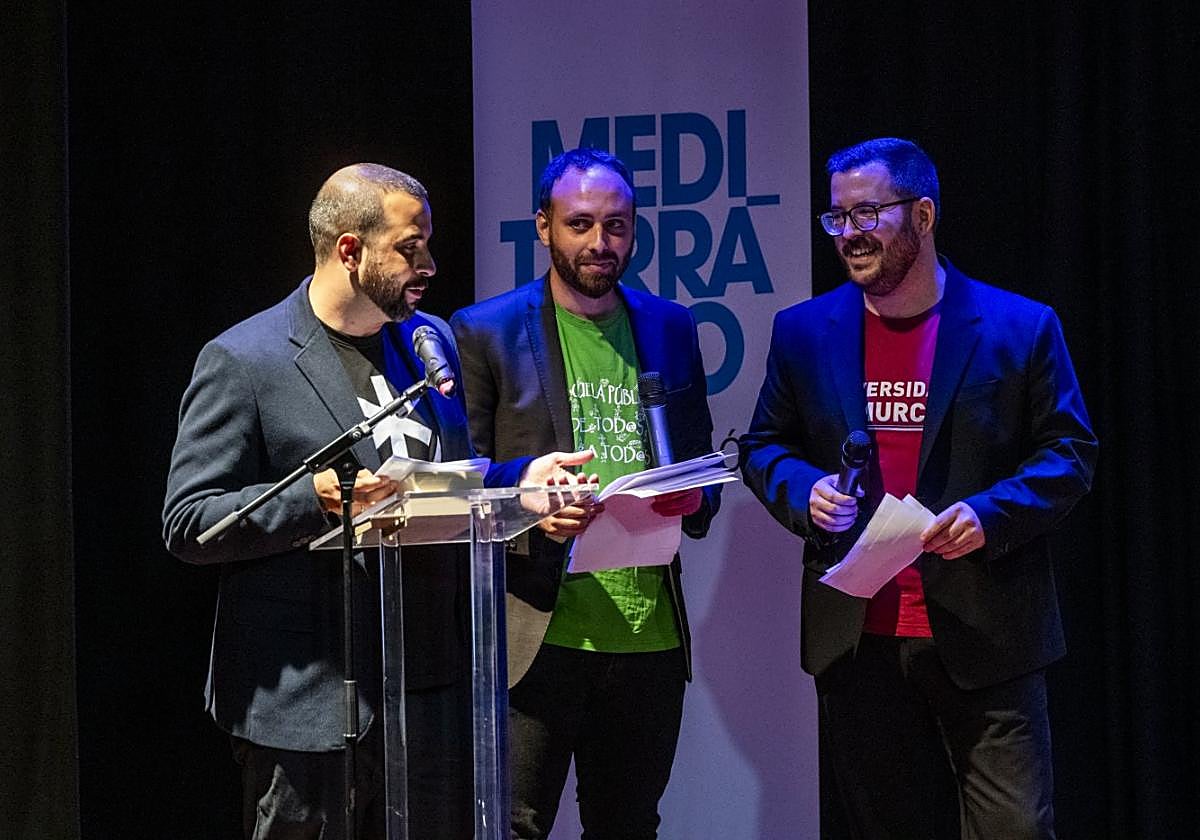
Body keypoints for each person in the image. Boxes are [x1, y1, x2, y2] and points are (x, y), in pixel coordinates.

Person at [163, 163, 593, 840]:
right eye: (409, 247)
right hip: (307, 707)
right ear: (348, 250)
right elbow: (190, 523)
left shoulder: (429, 344)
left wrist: (523, 484)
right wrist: (317, 499)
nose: (429, 264)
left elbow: (443, 481)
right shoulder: (246, 360)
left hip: (430, 703)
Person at [739, 137, 1098, 839]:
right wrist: (804, 489)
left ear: (924, 215)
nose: (849, 234)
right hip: (859, 642)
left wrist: (989, 514)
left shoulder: (1019, 327)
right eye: (837, 218)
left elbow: (1071, 453)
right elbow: (762, 447)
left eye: (868, 213)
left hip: (987, 633)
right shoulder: (804, 332)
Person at [450, 148, 721, 839]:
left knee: (630, 826)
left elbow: (700, 476)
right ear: (543, 227)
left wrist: (694, 498)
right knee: (515, 826)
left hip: (648, 638)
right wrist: (535, 513)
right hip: (539, 631)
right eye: (581, 225)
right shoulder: (486, 331)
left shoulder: (670, 326)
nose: (601, 244)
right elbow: (461, 483)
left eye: (618, 226)